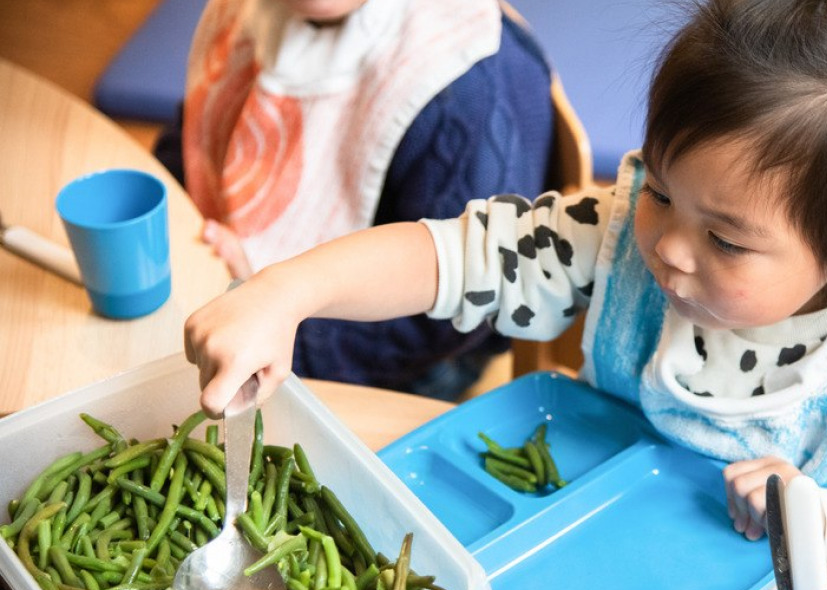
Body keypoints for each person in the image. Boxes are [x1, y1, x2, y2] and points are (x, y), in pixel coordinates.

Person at [184, 0, 827, 590]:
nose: (664, 245)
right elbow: (458, 257)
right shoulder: (621, 232)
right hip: (583, 569)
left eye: (726, 239)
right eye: (661, 189)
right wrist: (286, 291)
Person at [155, 0, 554, 401]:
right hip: (243, 286)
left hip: (403, 351)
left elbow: (449, 319)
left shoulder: (470, 89)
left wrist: (282, 318)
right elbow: (202, 122)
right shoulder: (253, 12)